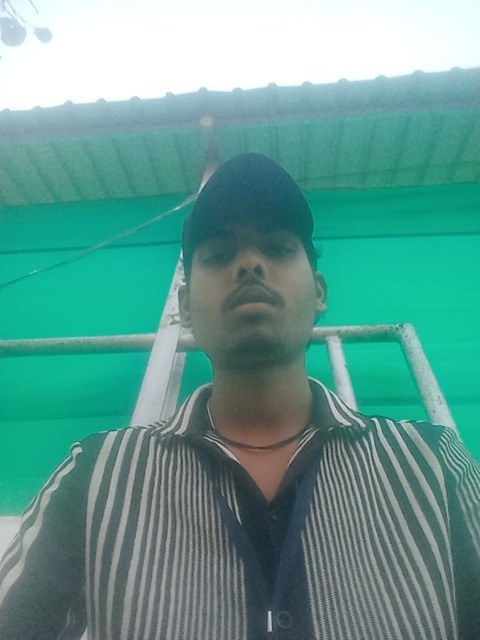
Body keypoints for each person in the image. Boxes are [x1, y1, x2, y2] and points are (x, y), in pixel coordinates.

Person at [0, 153, 479, 640]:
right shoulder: (96, 475)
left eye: (277, 247)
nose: (250, 264)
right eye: (218, 255)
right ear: (185, 307)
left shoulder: (434, 466)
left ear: (318, 292)